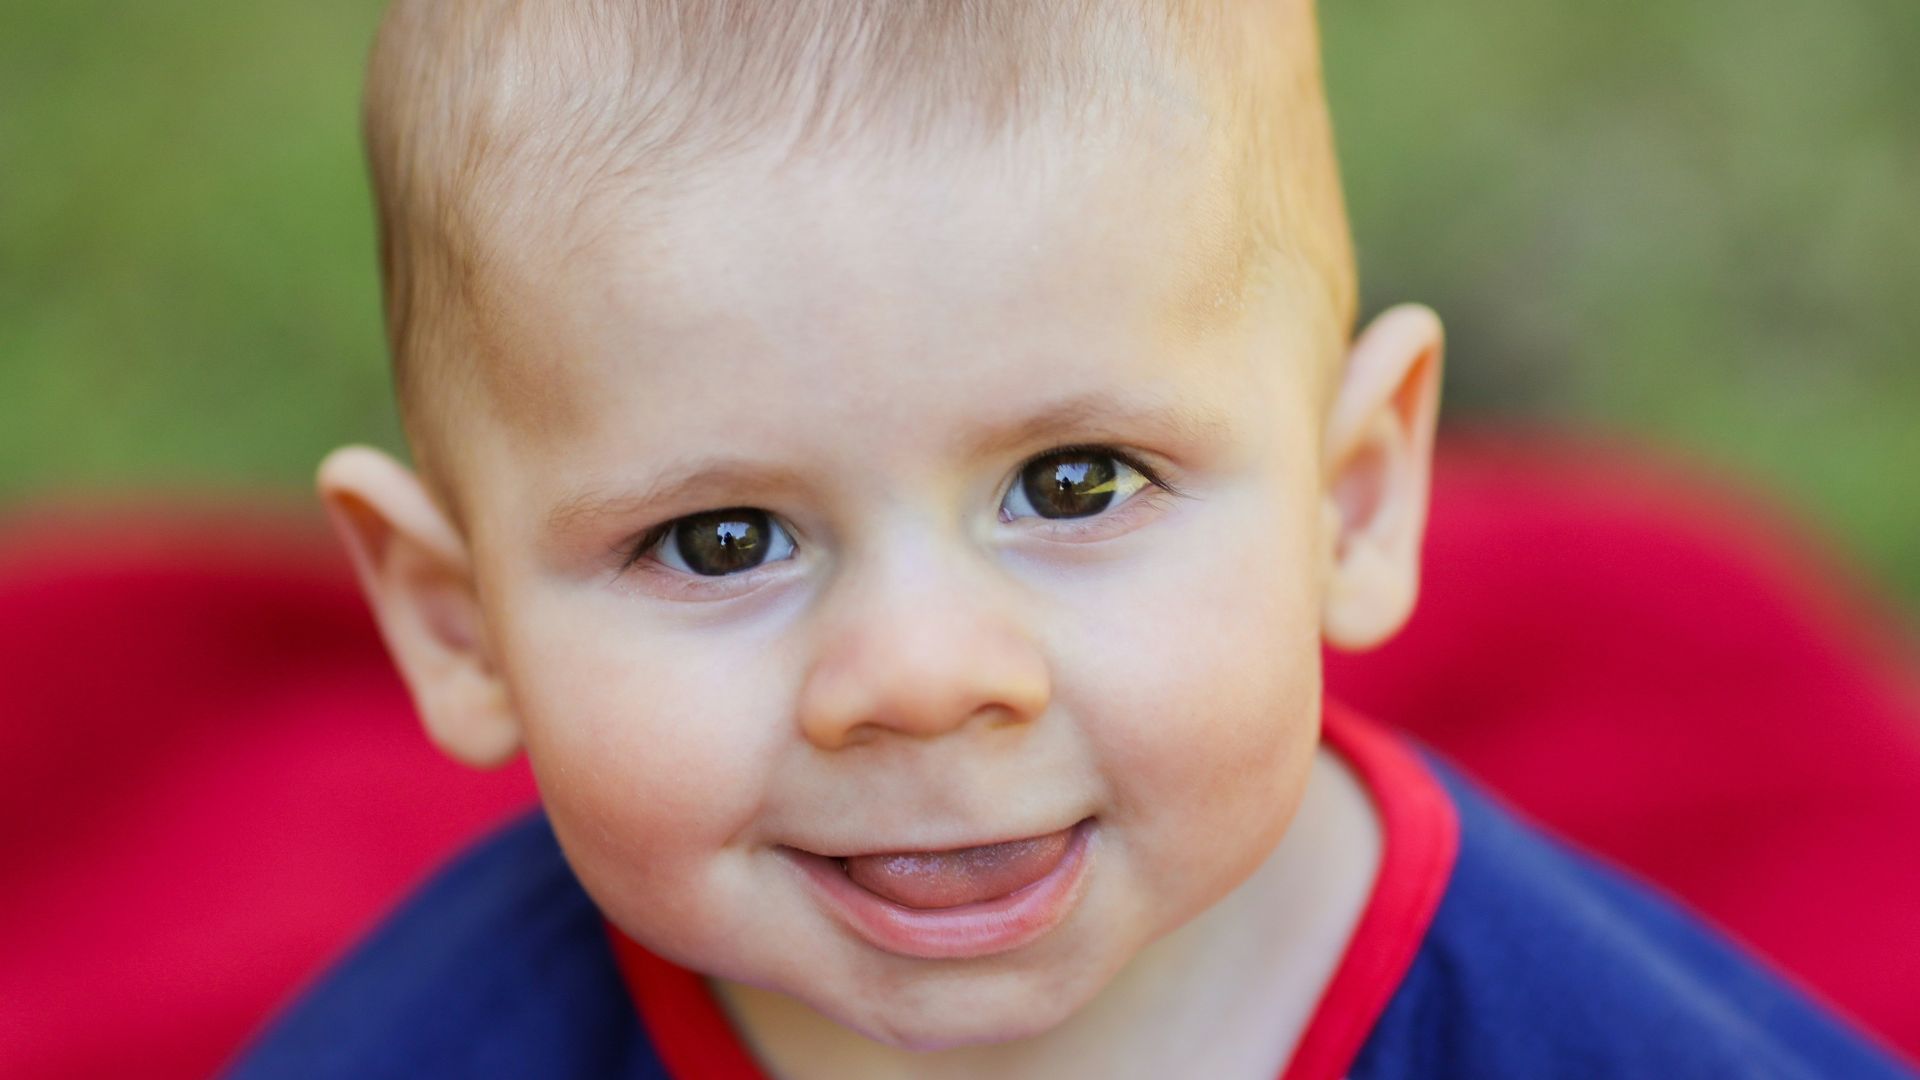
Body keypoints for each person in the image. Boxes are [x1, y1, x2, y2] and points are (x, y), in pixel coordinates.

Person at [226, 1, 1914, 1076]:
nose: (918, 678)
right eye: (723, 537)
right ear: (458, 625)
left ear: (1356, 499)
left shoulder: (1598, 1045)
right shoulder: (434, 1042)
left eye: (1077, 485)